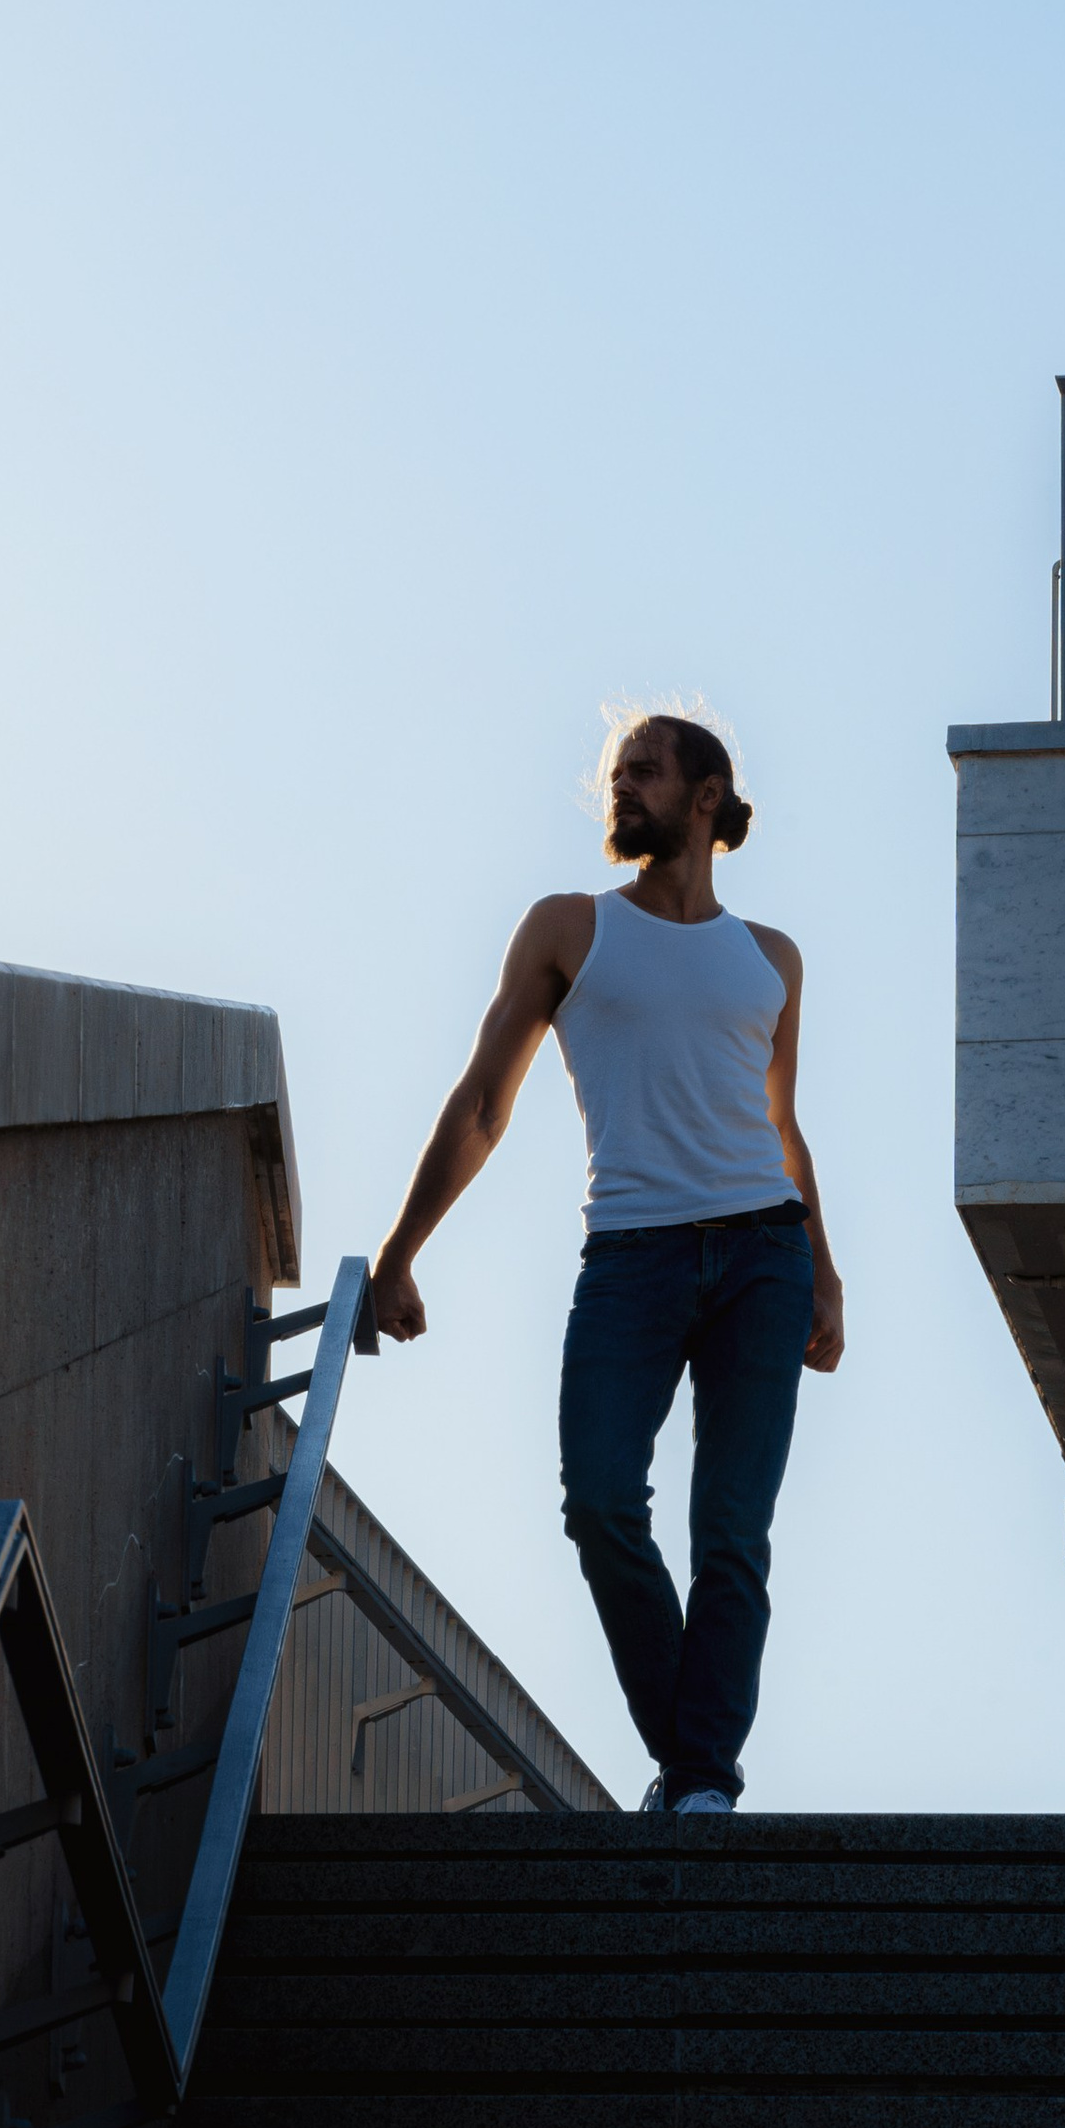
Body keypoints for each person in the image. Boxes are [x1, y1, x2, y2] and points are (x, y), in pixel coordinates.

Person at [369, 709, 843, 1815]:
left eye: (643, 773)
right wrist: (400, 1252)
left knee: (731, 1531)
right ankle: (690, 1762)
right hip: (629, 1256)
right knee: (596, 1502)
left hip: (763, 1258)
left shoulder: (770, 959)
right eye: (614, 777)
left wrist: (824, 1271)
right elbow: (484, 1103)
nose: (620, 791)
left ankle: (702, 1785)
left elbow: (783, 1127)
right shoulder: (568, 929)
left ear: (708, 797)